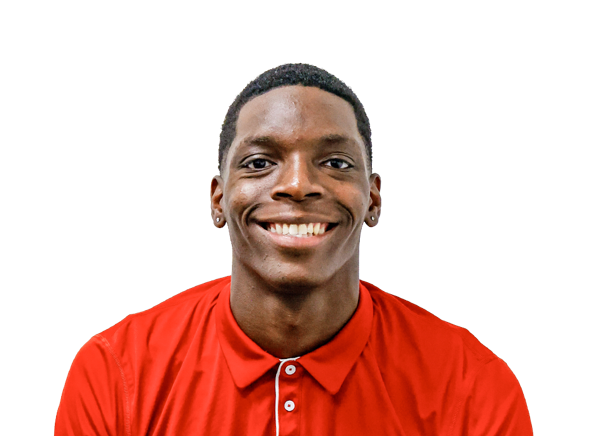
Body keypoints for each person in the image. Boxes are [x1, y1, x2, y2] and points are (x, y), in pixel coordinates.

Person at [54, 63, 533, 435]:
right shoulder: (113, 374)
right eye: (260, 162)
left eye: (336, 162)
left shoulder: (473, 386)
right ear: (219, 200)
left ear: (372, 199)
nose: (299, 185)